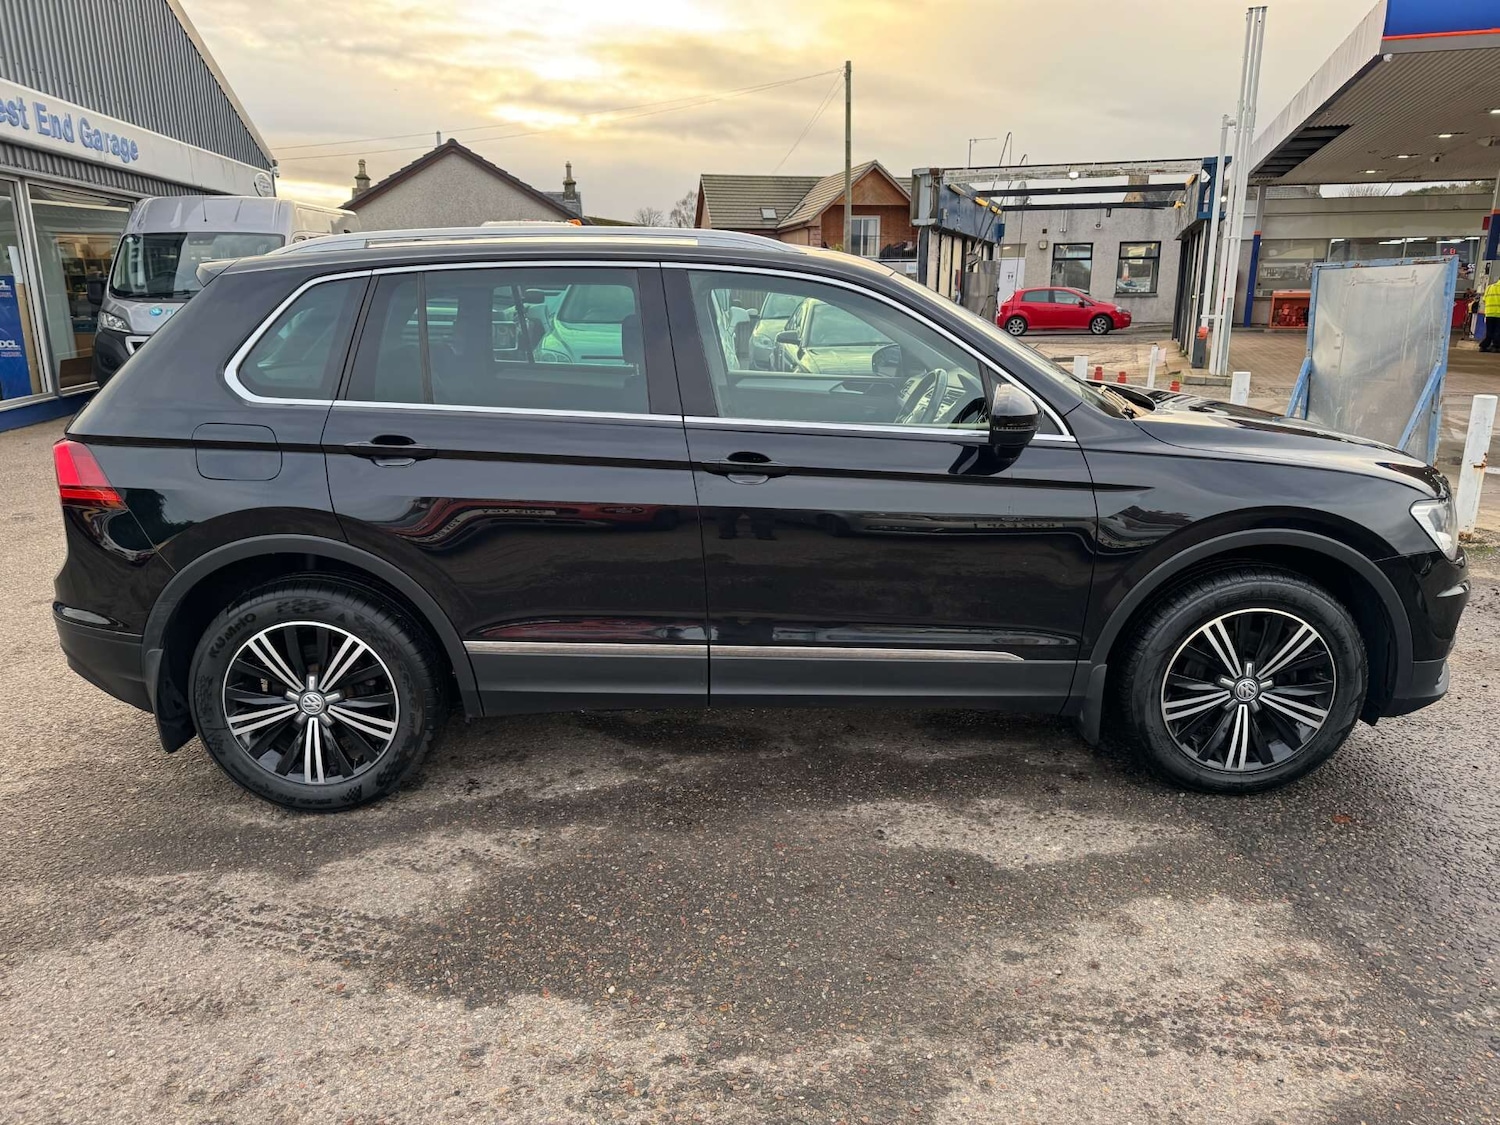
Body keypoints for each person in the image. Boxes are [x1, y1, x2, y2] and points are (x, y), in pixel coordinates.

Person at [1484, 273, 1500, 353]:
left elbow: (1484, 300)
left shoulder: (1489, 287)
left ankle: (1484, 346)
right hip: (1498, 313)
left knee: (1489, 331)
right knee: (1498, 331)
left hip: (1489, 313)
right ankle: (1495, 346)